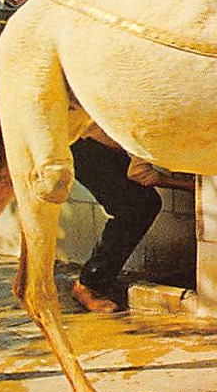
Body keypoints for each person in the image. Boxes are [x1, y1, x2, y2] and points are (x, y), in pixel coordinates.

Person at [66, 125, 178, 313]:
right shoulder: (151, 127)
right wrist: (190, 186)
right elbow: (139, 174)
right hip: (84, 144)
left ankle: (98, 278)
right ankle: (88, 285)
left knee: (143, 204)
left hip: (98, 140)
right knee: (136, 207)